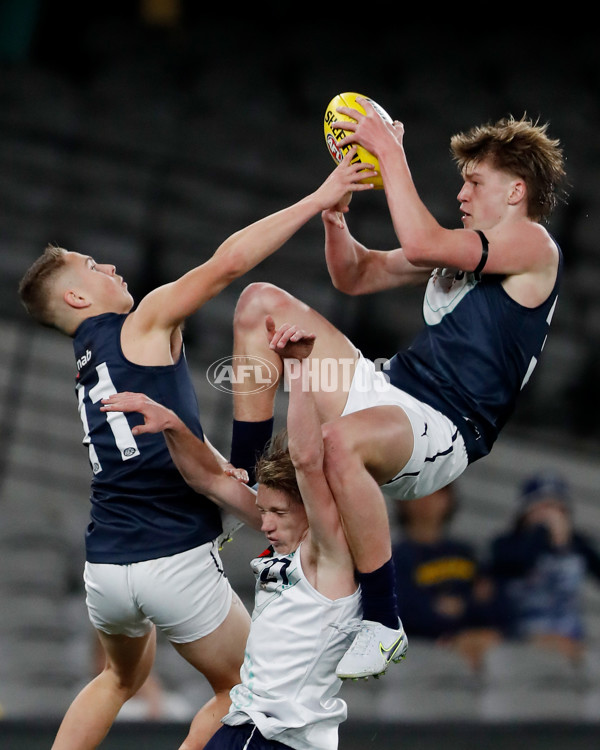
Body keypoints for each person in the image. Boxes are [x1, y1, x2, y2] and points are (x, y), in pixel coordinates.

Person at [16, 150, 373, 750]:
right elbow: (228, 263)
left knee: (115, 678)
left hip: (106, 566)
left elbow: (158, 428)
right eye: (92, 266)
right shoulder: (146, 319)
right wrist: (320, 197)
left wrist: (207, 451)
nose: (109, 265)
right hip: (170, 557)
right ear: (78, 300)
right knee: (240, 688)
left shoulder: (86, 363)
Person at [228, 106, 567, 680]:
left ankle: (384, 623)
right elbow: (354, 276)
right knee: (259, 303)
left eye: (473, 182)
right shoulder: (461, 249)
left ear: (515, 191)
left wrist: (388, 150)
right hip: (386, 389)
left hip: (443, 429)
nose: (461, 194)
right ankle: (246, 482)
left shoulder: (533, 245)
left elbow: (420, 237)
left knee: (340, 442)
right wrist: (337, 218)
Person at [101, 321, 364, 750]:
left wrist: (297, 372)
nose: (266, 523)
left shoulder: (328, 553)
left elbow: (307, 459)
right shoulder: (287, 538)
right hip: (250, 726)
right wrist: (172, 422)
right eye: (264, 512)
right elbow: (209, 479)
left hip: (280, 738)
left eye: (279, 512)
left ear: (313, 508)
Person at [487, 471, 600, 662]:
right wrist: (541, 534)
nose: (551, 516)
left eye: (558, 509)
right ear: (525, 512)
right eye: (544, 507)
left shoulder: (578, 547)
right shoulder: (506, 544)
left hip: (570, 640)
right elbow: (517, 563)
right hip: (521, 639)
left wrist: (564, 546)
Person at [393, 484, 506, 670]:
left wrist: (459, 607)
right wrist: (440, 613)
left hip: (470, 640)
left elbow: (493, 606)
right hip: (422, 648)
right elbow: (401, 611)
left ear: (449, 499)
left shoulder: (466, 554)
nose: (427, 500)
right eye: (419, 492)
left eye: (436, 492)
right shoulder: (395, 558)